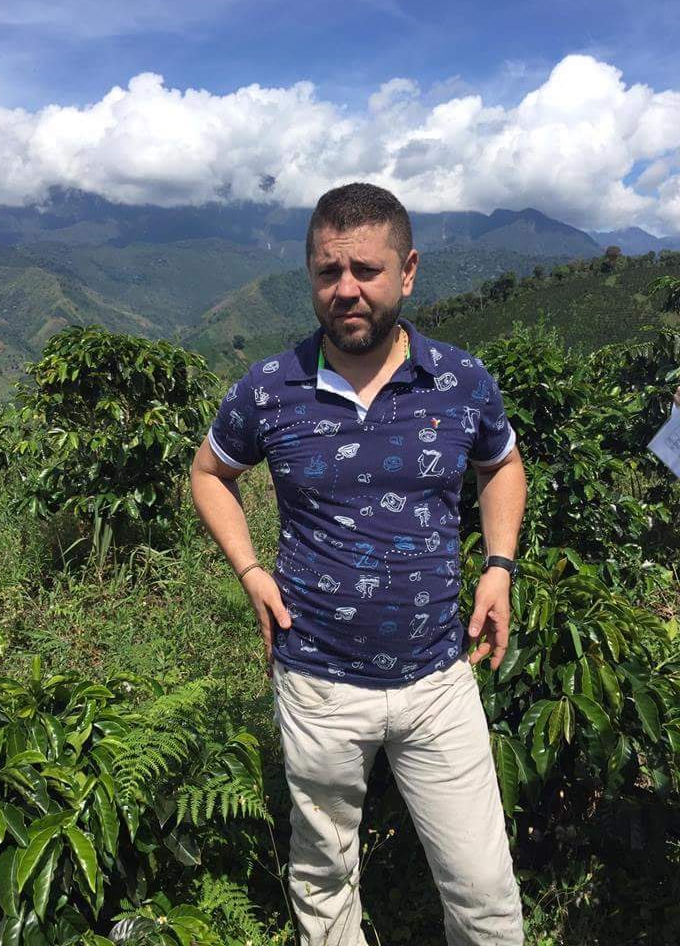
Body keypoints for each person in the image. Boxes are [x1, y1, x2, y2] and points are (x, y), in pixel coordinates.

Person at [190, 183, 527, 946]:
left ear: (407, 272)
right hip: (317, 682)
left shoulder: (459, 379)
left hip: (440, 678)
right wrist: (250, 572)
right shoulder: (271, 388)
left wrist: (499, 565)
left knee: (484, 894)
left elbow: (501, 466)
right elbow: (209, 474)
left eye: (366, 270)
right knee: (325, 883)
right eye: (327, 271)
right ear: (310, 276)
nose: (346, 289)